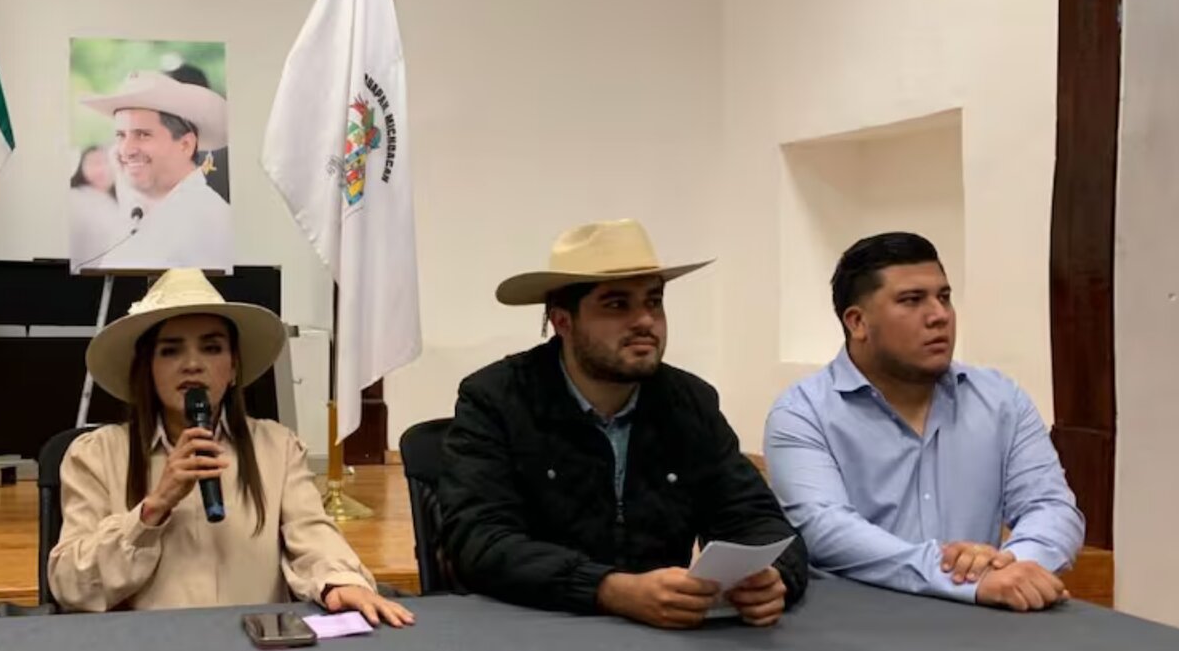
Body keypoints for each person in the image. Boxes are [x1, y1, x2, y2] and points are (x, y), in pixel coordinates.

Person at [437, 219, 808, 629]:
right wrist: (610, 590)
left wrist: (772, 578)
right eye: (617, 305)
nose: (645, 320)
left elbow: (757, 519)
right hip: (535, 626)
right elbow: (479, 542)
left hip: (668, 636)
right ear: (562, 322)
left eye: (654, 302)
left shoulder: (689, 403)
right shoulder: (497, 399)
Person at [48, 268, 412, 626]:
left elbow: (313, 535)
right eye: (171, 351)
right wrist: (152, 509)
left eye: (211, 348)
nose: (193, 365)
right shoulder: (95, 455)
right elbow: (70, 585)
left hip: (256, 649)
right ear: (148, 368)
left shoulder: (277, 447)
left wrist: (339, 583)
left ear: (234, 366)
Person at [764, 232, 1084, 611]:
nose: (939, 316)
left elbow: (1051, 506)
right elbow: (826, 531)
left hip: (982, 620)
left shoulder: (1001, 400)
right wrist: (961, 576)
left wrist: (1014, 565)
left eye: (943, 297)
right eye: (912, 300)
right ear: (857, 322)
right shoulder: (803, 413)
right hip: (855, 624)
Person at [80, 65, 232, 271]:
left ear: (185, 145)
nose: (126, 150)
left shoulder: (207, 220)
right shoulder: (140, 210)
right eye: (121, 135)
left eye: (143, 135)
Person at [68, 144, 131, 269]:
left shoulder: (120, 202)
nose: (102, 169)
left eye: (106, 162)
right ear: (81, 167)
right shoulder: (76, 197)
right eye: (94, 163)